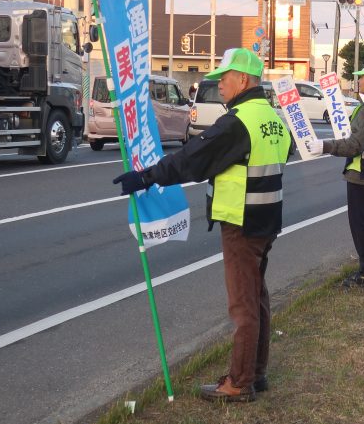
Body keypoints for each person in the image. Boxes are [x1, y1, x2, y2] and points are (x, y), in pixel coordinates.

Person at [112, 48, 289, 403]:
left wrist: (146, 177)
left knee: (243, 305)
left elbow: (193, 158)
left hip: (241, 220)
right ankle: (256, 372)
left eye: (224, 77)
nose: (218, 83)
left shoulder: (238, 121)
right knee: (257, 297)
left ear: (244, 79)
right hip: (266, 217)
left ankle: (239, 383)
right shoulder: (272, 118)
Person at [307, 61, 364, 287]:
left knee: (361, 225)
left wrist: (325, 146)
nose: (358, 80)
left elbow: (354, 145)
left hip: (362, 173)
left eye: (362, 77)